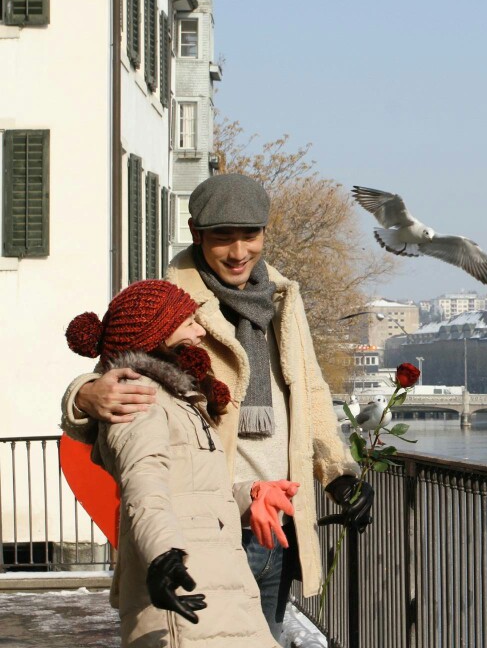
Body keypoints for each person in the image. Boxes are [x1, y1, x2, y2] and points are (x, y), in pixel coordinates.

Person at [62, 173, 373, 639]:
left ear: (265, 234)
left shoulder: (282, 298)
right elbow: (118, 355)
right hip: (210, 525)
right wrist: (84, 395)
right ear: (197, 235)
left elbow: (308, 389)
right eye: (223, 238)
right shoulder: (170, 299)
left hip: (279, 518)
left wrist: (336, 472)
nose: (238, 252)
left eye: (250, 236)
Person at [64, 279, 297, 646]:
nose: (201, 331)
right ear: (157, 333)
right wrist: (163, 558)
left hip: (216, 585)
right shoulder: (140, 399)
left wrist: (249, 494)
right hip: (186, 590)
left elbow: (190, 491)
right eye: (189, 321)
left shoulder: (179, 399)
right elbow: (145, 487)